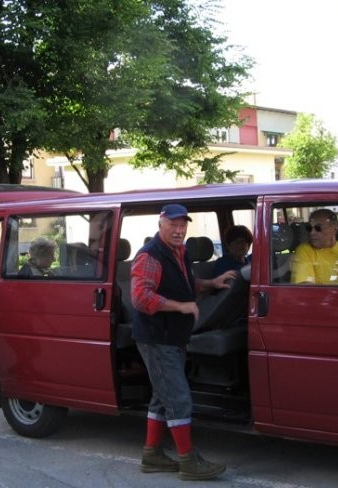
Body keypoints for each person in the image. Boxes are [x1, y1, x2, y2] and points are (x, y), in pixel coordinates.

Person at [131, 204, 235, 481]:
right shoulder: (150, 256)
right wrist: (181, 307)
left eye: (182, 225)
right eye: (173, 225)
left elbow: (185, 283)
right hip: (158, 337)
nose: (179, 230)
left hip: (172, 336)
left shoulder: (178, 252)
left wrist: (212, 282)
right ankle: (188, 461)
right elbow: (141, 298)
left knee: (161, 396)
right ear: (161, 223)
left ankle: (151, 455)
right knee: (178, 398)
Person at [290, 208, 338, 285]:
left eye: (318, 228)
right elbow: (306, 288)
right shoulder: (305, 250)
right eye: (309, 228)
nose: (312, 232)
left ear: (335, 228)